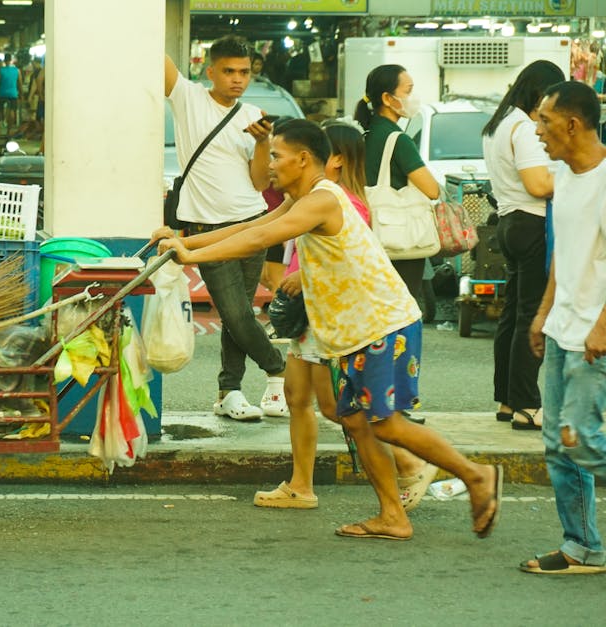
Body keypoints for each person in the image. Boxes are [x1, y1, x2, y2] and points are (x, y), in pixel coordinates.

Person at [152, 118, 502, 541]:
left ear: (303, 159)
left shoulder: (322, 200)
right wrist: (186, 241)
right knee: (354, 420)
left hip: (382, 326)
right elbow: (251, 228)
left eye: (277, 156)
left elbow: (261, 238)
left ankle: (475, 474)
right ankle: (393, 516)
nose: (270, 165)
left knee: (385, 424)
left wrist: (190, 257)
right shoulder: (301, 199)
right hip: (355, 334)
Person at [252, 120, 435, 512]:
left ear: (333, 159)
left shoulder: (340, 201)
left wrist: (303, 276)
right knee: (297, 397)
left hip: (334, 318)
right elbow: (260, 228)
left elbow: (345, 261)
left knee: (339, 409)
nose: (275, 163)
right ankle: (302, 485)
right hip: (312, 316)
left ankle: (410, 464)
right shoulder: (307, 197)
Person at [164, 35, 287, 421]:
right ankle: (279, 369)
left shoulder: (252, 114)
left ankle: (229, 392)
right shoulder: (188, 97)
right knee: (235, 314)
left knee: (240, 317)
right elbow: (154, 55)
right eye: (229, 71)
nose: (237, 79)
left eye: (245, 72)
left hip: (252, 221)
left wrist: (264, 142)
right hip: (207, 227)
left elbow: (259, 183)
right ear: (210, 71)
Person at [519, 81, 606, 574]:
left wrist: (602, 328)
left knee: (583, 442)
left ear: (573, 125)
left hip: (595, 336)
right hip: (562, 328)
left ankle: (583, 544)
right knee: (558, 444)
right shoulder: (566, 176)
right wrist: (543, 313)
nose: (537, 131)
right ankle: (582, 546)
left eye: (545, 121)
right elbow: (563, 253)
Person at [481, 61, 565, 432]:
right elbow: (537, 184)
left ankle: (507, 400)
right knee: (532, 316)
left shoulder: (499, 123)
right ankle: (527, 405)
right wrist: (574, 179)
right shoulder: (525, 129)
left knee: (513, 315)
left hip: (508, 223)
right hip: (531, 223)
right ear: (540, 92)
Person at [354, 65, 441, 312]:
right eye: (408, 91)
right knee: (401, 309)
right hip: (400, 241)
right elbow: (432, 190)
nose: (413, 97)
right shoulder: (398, 139)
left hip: (366, 233)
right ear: (387, 98)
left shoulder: (364, 132)